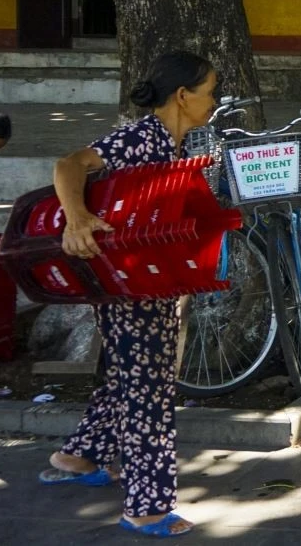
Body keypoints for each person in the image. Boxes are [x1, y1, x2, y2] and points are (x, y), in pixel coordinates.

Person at [40, 51, 217, 538]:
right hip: (126, 288)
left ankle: (78, 456)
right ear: (183, 96)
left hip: (150, 282)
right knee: (149, 390)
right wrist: (76, 218)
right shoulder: (140, 137)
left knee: (130, 375)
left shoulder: (179, 144)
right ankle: (147, 506)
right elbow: (69, 164)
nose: (215, 102)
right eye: (211, 92)